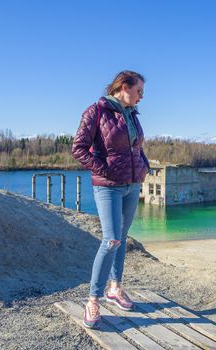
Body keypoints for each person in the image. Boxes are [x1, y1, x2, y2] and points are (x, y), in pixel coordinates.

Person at [72, 70, 150, 329]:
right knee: (111, 239)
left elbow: (136, 147)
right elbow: (79, 148)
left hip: (132, 185)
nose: (141, 96)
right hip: (109, 187)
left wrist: (143, 166)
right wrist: (102, 169)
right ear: (123, 87)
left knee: (122, 239)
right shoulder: (96, 111)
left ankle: (115, 288)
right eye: (139, 91)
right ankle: (93, 299)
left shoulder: (132, 115)